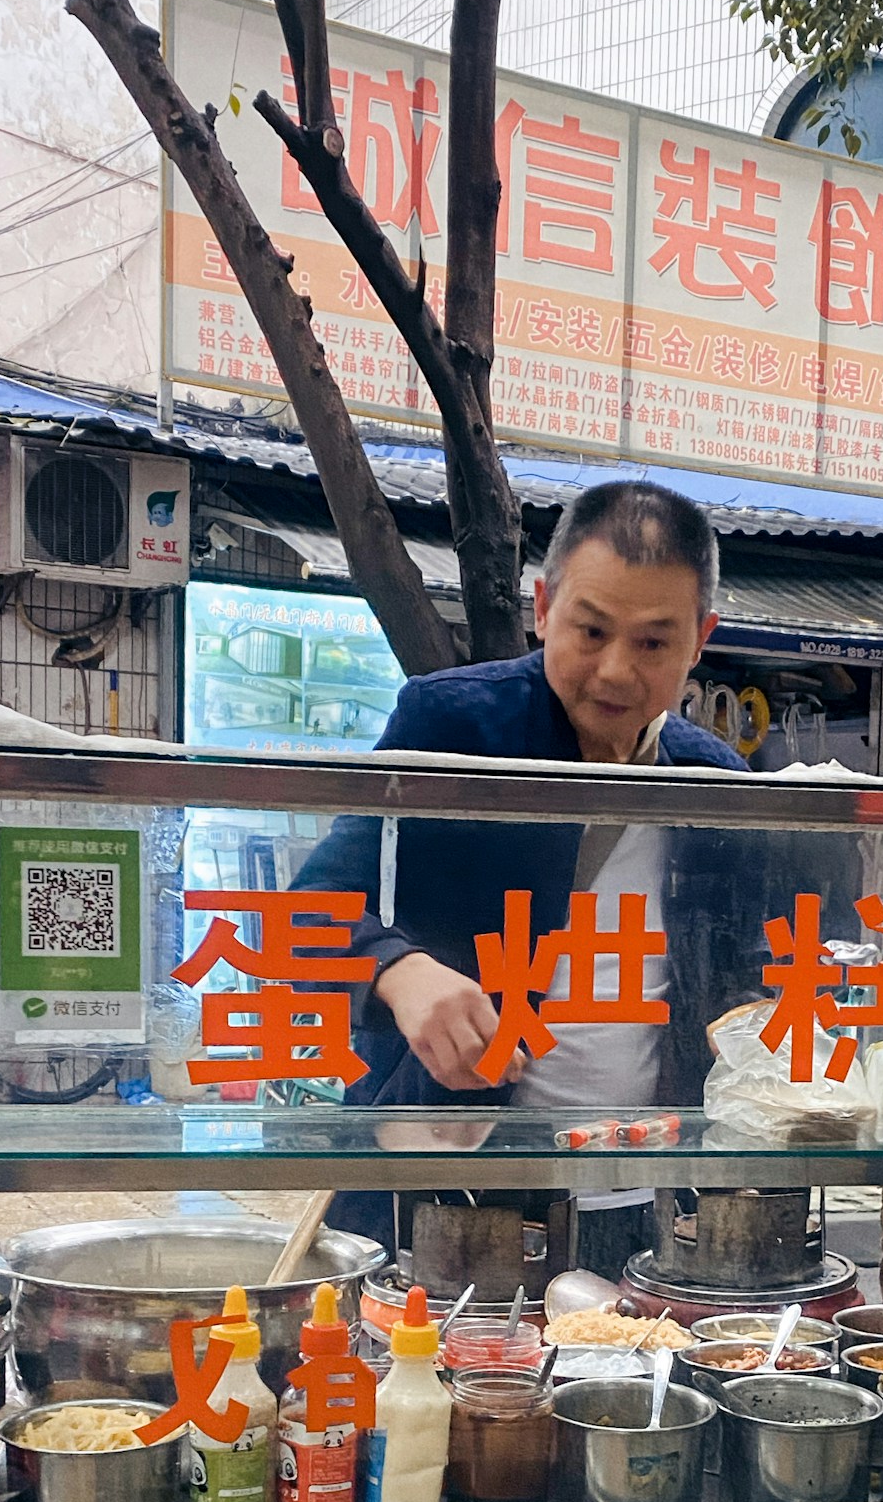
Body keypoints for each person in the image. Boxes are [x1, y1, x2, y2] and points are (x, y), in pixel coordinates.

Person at [293, 478, 759, 1117]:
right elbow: (300, 914)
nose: (617, 670)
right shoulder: (453, 728)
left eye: (653, 642)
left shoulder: (717, 783)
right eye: (591, 631)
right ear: (542, 608)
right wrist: (397, 972)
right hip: (451, 1170)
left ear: (700, 639)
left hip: (644, 1178)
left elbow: (742, 978)